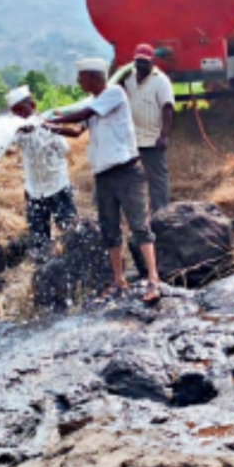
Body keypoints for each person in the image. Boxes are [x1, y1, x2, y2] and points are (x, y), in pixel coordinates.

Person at [45, 58, 163, 304]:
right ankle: (118, 281)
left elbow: (85, 113)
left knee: (140, 225)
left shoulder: (115, 93)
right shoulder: (95, 102)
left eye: (81, 77)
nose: (78, 82)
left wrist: (52, 119)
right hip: (104, 175)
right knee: (109, 230)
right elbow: (78, 130)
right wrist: (46, 128)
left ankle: (153, 280)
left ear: (93, 77)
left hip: (127, 171)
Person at [6, 85, 77, 260]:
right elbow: (8, 142)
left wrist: (46, 131)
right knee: (39, 238)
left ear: (33, 105)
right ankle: (44, 268)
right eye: (17, 112)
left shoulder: (48, 124)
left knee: (69, 230)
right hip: (34, 190)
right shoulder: (18, 131)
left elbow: (64, 149)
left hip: (57, 186)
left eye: (23, 109)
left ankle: (75, 261)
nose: (21, 115)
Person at [124, 44, 174, 215]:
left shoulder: (160, 80)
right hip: (133, 139)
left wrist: (164, 135)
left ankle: (161, 214)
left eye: (144, 62)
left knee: (157, 179)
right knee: (133, 179)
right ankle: (138, 213)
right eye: (138, 62)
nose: (141, 66)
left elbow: (167, 108)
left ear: (152, 62)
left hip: (153, 139)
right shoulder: (129, 78)